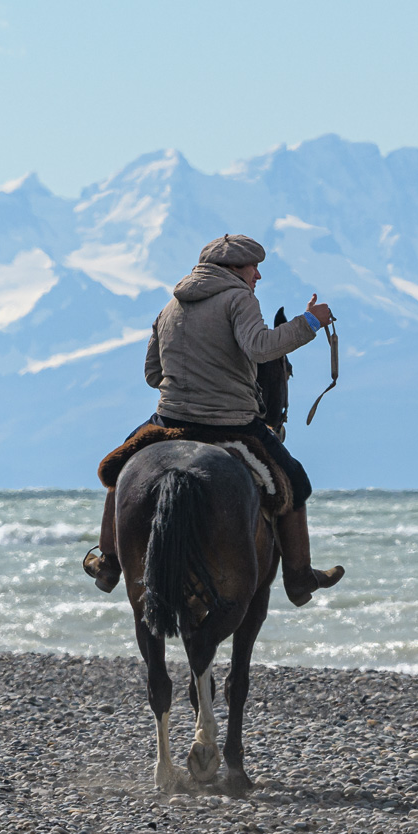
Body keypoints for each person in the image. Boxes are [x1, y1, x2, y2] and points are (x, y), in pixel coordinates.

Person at [82, 233, 346, 606]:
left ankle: (109, 564)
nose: (257, 276)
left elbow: (152, 375)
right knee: (296, 482)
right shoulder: (240, 299)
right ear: (233, 268)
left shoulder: (170, 306)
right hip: (231, 422)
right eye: (253, 267)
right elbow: (261, 347)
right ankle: (299, 579)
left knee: (117, 468)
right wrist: (310, 322)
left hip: (169, 419)